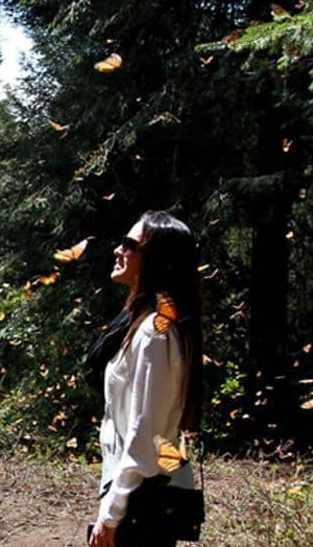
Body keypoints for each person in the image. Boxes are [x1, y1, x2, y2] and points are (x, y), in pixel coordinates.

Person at [87, 211, 203, 547]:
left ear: (155, 260)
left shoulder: (155, 333)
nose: (117, 251)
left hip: (141, 503)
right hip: (137, 495)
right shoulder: (142, 324)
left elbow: (145, 434)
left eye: (129, 245)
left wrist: (111, 514)